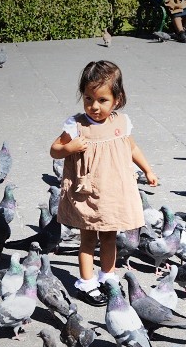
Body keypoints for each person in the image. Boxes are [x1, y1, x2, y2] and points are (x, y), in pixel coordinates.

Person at [50, 61, 159, 306]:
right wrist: (69, 147)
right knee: (88, 240)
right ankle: (86, 284)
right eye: (88, 99)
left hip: (113, 195)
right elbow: (54, 150)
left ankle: (108, 277)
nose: (94, 106)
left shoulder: (121, 123)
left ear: (117, 100)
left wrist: (148, 170)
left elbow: (132, 148)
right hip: (88, 195)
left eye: (102, 100)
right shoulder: (77, 126)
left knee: (109, 238)